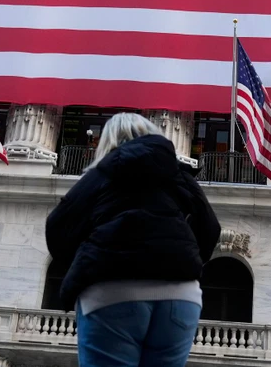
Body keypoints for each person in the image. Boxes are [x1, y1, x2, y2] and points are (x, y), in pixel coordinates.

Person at [46, 113, 221, 367]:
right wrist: (184, 261)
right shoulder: (179, 176)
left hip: (111, 290)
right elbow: (210, 228)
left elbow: (58, 226)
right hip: (181, 295)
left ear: (107, 142)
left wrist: (85, 260)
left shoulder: (102, 175)